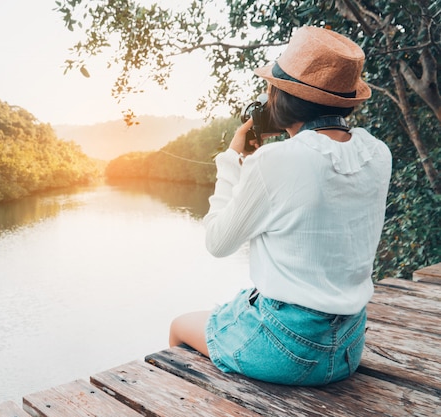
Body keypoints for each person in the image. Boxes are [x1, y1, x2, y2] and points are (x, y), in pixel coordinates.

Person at [168, 26, 392, 386]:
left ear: (281, 98)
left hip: (287, 351)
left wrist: (231, 158)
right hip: (348, 347)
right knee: (240, 302)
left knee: (179, 325)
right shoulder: (378, 153)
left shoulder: (275, 161)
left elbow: (217, 242)